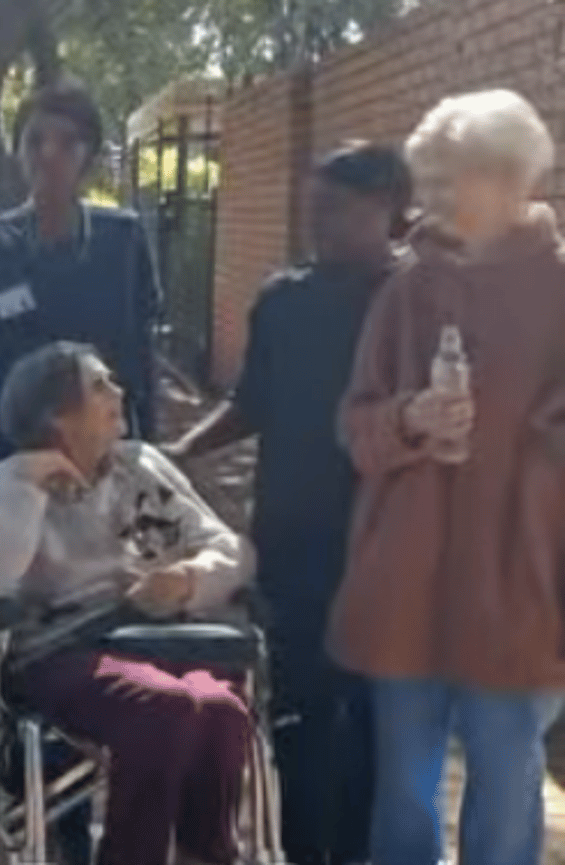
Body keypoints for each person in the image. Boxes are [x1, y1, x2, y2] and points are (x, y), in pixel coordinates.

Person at [333, 88, 565, 865]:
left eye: (444, 180)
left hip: (521, 587)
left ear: (507, 178)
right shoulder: (406, 289)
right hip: (410, 585)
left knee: (505, 786)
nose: (426, 200)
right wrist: (408, 419)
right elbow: (355, 424)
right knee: (404, 788)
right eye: (424, 180)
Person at [167, 141, 411, 865]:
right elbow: (251, 402)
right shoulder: (283, 300)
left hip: (388, 551)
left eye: (334, 209)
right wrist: (184, 453)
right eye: (313, 209)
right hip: (293, 545)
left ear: (387, 209)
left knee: (374, 724)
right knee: (299, 720)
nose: (318, 224)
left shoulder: (417, 300)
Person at [0, 341, 256, 865]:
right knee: (166, 703)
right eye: (99, 385)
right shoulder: (13, 480)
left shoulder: (139, 466)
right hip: (61, 652)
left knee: (222, 706)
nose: (119, 392)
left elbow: (228, 549)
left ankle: (204, 855)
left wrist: (188, 578)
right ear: (56, 415)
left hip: (157, 638)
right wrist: (32, 481)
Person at [0, 79, 163, 504]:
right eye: (35, 140)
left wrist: (148, 448)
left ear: (89, 158)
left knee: (114, 569)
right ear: (17, 153)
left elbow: (143, 358)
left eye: (68, 143)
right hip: (8, 464)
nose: (49, 154)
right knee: (12, 567)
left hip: (106, 467)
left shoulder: (124, 242)